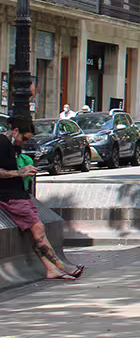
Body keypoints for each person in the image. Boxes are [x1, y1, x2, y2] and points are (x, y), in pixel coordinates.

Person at [1, 119, 83, 281]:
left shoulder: (13, 146)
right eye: (24, 139)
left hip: (20, 193)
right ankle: (60, 264)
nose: (25, 143)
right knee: (37, 227)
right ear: (15, 131)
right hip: (9, 196)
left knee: (36, 230)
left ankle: (50, 268)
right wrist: (19, 173)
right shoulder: (1, 144)